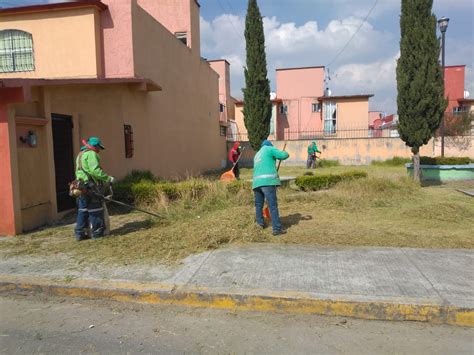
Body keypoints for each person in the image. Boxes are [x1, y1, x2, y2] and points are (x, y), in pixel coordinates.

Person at [74, 137, 114, 241]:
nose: (99, 150)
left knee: (83, 210)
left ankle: (80, 234)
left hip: (81, 186)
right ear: (95, 146)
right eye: (99, 147)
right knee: (95, 210)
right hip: (91, 187)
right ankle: (97, 234)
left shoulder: (80, 154)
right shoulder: (91, 154)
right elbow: (95, 171)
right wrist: (108, 178)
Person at [252, 140, 289, 236]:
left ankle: (260, 224)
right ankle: (276, 228)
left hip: (256, 183)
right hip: (267, 182)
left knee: (258, 205)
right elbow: (283, 155)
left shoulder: (257, 154)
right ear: (270, 145)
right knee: (272, 205)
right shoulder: (269, 149)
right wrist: (285, 152)